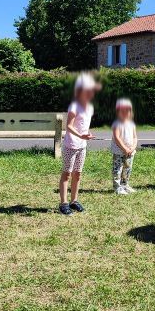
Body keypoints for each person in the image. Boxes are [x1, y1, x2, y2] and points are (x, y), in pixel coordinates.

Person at [58, 73, 99, 215]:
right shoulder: (74, 106)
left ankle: (74, 201)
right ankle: (63, 203)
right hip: (71, 145)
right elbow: (69, 126)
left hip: (82, 146)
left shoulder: (90, 107)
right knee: (67, 174)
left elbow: (83, 125)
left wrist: (87, 134)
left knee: (78, 174)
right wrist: (81, 135)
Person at [111, 98, 138, 195]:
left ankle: (125, 185)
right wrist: (124, 148)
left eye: (128, 110)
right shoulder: (117, 124)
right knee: (117, 169)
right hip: (119, 152)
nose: (125, 113)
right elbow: (117, 137)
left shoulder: (131, 124)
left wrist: (133, 147)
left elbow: (135, 137)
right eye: (122, 111)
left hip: (130, 152)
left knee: (127, 169)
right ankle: (117, 187)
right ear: (118, 112)